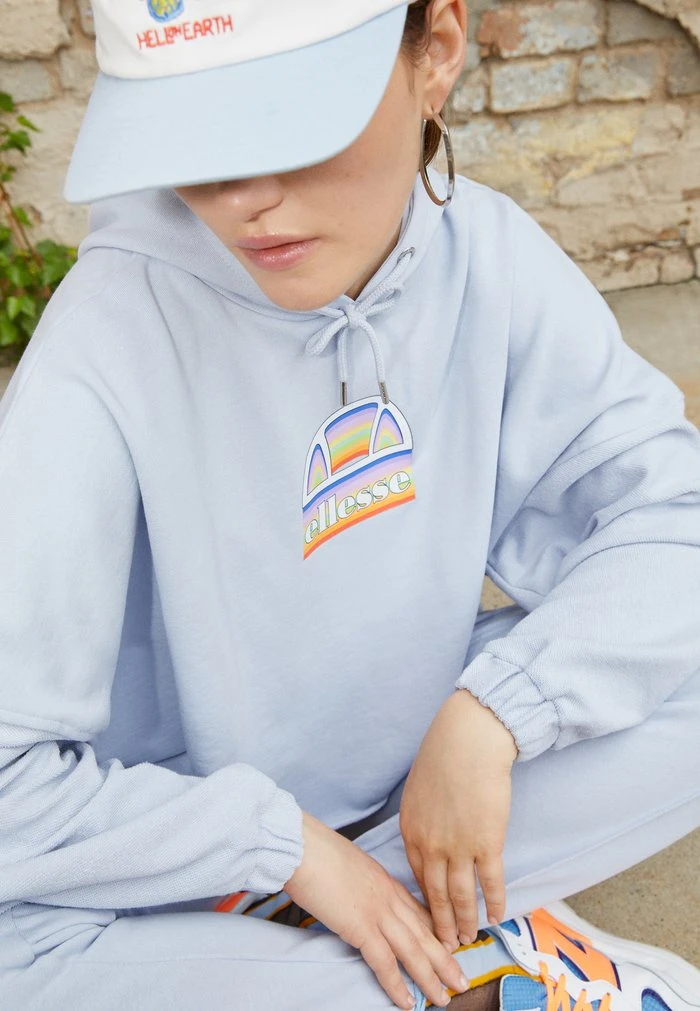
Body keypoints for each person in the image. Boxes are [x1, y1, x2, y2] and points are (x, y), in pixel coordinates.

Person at [0, 1, 698, 1009]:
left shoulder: (487, 255)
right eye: (190, 140)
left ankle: (403, 923)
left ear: (437, 52)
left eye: (288, 122)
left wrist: (495, 716)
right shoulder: (106, 336)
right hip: (143, 860)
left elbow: (669, 515)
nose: (245, 198)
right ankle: (446, 938)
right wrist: (280, 848)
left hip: (389, 787)